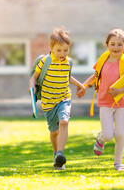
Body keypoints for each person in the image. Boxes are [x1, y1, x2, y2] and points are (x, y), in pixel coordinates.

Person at [82, 28, 124, 171]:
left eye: (120, 44)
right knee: (108, 135)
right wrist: (83, 86)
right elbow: (96, 77)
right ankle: (101, 138)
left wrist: (119, 91)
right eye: (113, 44)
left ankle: (118, 163)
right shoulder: (102, 60)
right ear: (107, 45)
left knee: (120, 134)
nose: (116, 47)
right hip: (105, 103)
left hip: (121, 104)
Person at [29, 27, 86, 170]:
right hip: (48, 103)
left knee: (64, 122)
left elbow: (67, 77)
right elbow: (34, 77)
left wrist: (81, 85)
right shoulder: (45, 62)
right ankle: (56, 155)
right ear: (51, 48)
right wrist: (32, 87)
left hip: (63, 99)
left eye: (65, 50)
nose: (62, 53)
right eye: (59, 50)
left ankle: (60, 153)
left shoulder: (68, 62)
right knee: (54, 132)